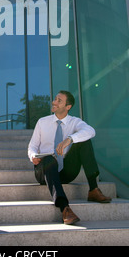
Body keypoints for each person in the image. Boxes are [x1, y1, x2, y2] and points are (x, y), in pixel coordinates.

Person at [28, 90, 111, 225]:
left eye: (59, 100)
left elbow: (91, 131)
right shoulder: (42, 122)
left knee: (84, 140)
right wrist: (33, 156)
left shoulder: (74, 122)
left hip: (66, 171)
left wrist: (70, 139)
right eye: (55, 99)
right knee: (49, 159)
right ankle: (65, 208)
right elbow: (32, 146)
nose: (54, 102)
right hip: (44, 171)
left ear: (68, 107)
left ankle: (93, 190)